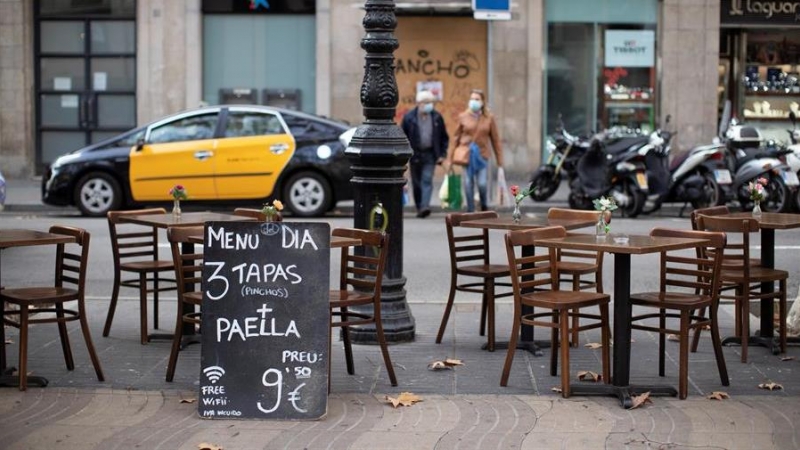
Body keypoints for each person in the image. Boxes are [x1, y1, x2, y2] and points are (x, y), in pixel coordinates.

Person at [447, 89, 504, 212]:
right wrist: (450, 158)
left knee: (482, 184)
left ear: (483, 102)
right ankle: (471, 209)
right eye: (472, 98)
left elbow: (495, 140)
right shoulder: (463, 116)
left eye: (477, 99)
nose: (474, 101)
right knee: (468, 183)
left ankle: (483, 206)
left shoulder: (489, 118)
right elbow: (455, 138)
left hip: (482, 155)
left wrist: (500, 161)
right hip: (467, 155)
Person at [401, 90, 449, 218]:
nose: (429, 105)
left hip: (430, 154)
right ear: (418, 103)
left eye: (430, 102)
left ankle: (425, 206)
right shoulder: (409, 118)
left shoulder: (437, 117)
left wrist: (442, 154)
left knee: (426, 179)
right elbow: (402, 136)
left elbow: (444, 137)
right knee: (416, 182)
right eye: (426, 102)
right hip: (414, 154)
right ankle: (419, 206)